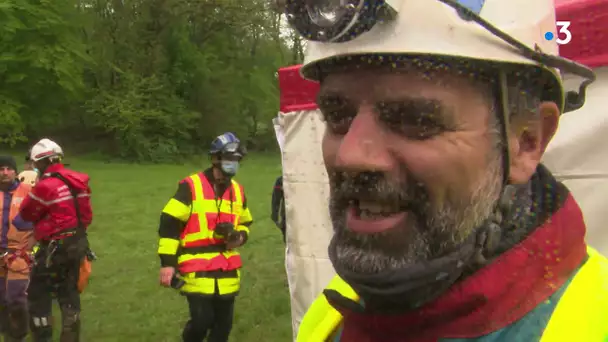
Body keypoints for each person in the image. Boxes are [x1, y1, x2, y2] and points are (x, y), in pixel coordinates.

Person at [280, 0, 608, 340]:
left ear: (527, 142)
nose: (350, 156)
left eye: (414, 120)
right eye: (337, 117)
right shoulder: (335, 312)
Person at [157, 132, 254, 342]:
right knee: (201, 322)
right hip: (196, 268)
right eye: (229, 159)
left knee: (223, 327)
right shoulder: (191, 186)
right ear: (215, 159)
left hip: (226, 270)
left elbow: (246, 222)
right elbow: (169, 223)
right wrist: (167, 263)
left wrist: (239, 237)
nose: (233, 164)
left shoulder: (238, 191)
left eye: (237, 160)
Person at [18, 138, 93, 342]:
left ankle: (42, 338)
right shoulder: (79, 180)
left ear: (41, 163)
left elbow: (26, 213)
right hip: (78, 244)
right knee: (69, 293)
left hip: (54, 248)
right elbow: (86, 217)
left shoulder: (45, 186)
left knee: (38, 293)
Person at [0, 156, 35, 342]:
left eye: (9, 168)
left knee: (16, 299)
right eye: (1, 169)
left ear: (15, 171)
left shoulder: (29, 192)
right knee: (2, 301)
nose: (5, 173)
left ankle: (18, 336)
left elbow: (43, 218)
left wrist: (32, 244)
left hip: (19, 254)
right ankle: (7, 333)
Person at [271, 176, 287, 243]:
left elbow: (275, 200)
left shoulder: (282, 180)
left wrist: (275, 217)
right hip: (287, 216)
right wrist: (275, 216)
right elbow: (275, 199)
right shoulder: (281, 180)